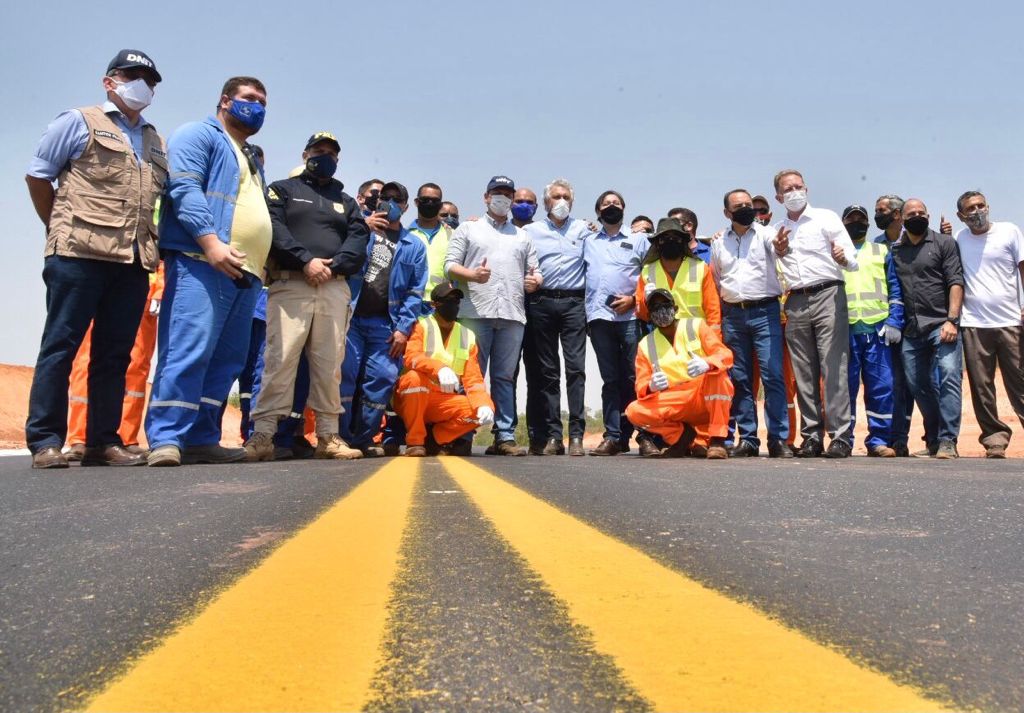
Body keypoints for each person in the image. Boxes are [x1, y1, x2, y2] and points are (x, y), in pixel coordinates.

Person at [25, 49, 166, 469]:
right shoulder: (78, 120)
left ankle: (103, 441)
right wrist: (58, 227)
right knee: (60, 346)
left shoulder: (155, 140)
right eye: (134, 75)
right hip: (78, 254)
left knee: (115, 353)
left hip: (133, 261)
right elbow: (38, 175)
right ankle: (46, 441)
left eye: (150, 79)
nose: (143, 84)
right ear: (111, 81)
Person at [146, 76, 271, 467]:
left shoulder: (247, 154)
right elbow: (184, 190)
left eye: (263, 102)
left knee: (226, 360)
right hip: (204, 262)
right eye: (249, 98)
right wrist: (211, 242)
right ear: (225, 101)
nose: (258, 107)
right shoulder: (198, 135)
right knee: (188, 349)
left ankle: (201, 437)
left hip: (246, 274)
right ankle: (167, 436)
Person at [242, 131, 369, 461]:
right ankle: (263, 435)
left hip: (333, 287)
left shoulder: (346, 201)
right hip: (291, 284)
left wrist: (333, 265)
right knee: (279, 361)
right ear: (305, 154)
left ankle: (329, 436)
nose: (324, 156)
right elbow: (274, 229)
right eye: (318, 150)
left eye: (331, 152)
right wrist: (305, 260)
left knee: (330, 366)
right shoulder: (283, 190)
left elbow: (358, 240)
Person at [445, 175, 542, 456]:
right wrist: (472, 274)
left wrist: (536, 281)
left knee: (504, 377)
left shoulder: (522, 236)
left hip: (512, 314)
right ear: (486, 197)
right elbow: (450, 265)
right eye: (497, 193)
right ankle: (463, 433)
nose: (503, 198)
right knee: (471, 375)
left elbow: (535, 272)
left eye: (507, 194)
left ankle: (505, 436)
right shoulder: (468, 229)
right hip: (475, 312)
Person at [772, 169, 859, 458]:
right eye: (788, 189)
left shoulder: (826, 218)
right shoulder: (777, 230)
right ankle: (811, 436)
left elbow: (851, 258)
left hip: (828, 294)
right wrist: (779, 251)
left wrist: (843, 257)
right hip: (795, 301)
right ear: (778, 196)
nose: (795, 192)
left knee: (834, 367)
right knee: (804, 372)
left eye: (799, 186)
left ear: (806, 189)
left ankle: (840, 436)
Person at [337, 181, 426, 456]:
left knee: (381, 380)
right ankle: (339, 437)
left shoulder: (414, 245)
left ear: (405, 206)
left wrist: (402, 329)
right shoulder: (360, 231)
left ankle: (363, 440)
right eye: (384, 198)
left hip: (385, 327)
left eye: (396, 200)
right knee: (344, 377)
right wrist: (364, 227)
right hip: (350, 320)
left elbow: (415, 293)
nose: (390, 203)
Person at [710, 189, 791, 458]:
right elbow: (718, 279)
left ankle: (778, 439)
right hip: (733, 315)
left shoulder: (767, 234)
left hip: (764, 311)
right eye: (739, 206)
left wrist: (782, 246)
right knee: (741, 379)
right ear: (727, 213)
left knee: (772, 375)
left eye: (748, 205)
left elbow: (780, 250)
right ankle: (748, 439)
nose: (746, 209)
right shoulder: (719, 242)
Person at [583, 190, 659, 456]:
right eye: (606, 203)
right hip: (599, 319)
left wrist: (634, 300)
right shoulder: (588, 240)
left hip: (629, 317)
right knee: (610, 380)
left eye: (616, 203)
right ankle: (614, 436)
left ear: (624, 209)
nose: (611, 206)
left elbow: (653, 277)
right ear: (598, 210)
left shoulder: (639, 241)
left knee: (636, 376)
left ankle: (645, 435)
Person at [65, 264, 164, 460]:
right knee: (84, 363)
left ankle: (126, 437)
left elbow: (159, 251)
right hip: (100, 279)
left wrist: (159, 288)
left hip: (140, 288)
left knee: (136, 366)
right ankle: (79, 438)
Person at [890, 199, 964, 459]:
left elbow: (956, 281)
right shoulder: (896, 251)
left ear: (929, 216)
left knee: (949, 377)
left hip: (941, 324)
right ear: (901, 217)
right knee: (918, 385)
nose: (917, 216)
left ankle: (947, 440)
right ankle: (933, 438)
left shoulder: (944, 243)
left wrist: (952, 320)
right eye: (912, 214)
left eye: (922, 213)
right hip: (911, 330)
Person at [522, 178, 590, 456]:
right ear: (546, 201)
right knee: (548, 372)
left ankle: (576, 435)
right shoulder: (530, 231)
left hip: (574, 303)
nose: (561, 201)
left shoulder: (585, 229)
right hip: (542, 302)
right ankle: (553, 435)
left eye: (565, 197)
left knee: (576, 369)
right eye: (555, 196)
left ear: (572, 201)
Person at [954, 191, 1024, 458]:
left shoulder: (1009, 231)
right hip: (974, 324)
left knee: (1019, 382)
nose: (977, 211)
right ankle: (994, 438)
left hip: (1010, 321)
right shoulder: (959, 238)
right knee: (981, 386)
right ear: (962, 216)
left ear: (988, 206)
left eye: (981, 205)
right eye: (971, 208)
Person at [625, 289, 733, 459]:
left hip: (702, 395)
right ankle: (683, 438)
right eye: (655, 307)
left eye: (665, 305)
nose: (660, 310)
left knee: (719, 375)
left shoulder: (696, 326)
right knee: (634, 411)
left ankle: (717, 441)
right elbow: (640, 385)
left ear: (675, 308)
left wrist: (707, 363)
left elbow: (725, 355)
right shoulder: (646, 344)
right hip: (674, 401)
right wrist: (651, 386)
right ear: (650, 315)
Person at [393, 284, 495, 456]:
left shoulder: (467, 335)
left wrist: (484, 404)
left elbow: (474, 380)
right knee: (414, 378)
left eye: (456, 301)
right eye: (448, 301)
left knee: (480, 410)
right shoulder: (421, 326)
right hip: (413, 395)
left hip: (443, 400)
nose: (453, 305)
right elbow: (412, 357)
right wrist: (439, 368)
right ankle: (415, 442)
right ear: (434, 304)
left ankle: (434, 440)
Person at [841, 205, 903, 458]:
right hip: (845, 333)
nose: (856, 223)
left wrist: (895, 322)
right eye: (851, 219)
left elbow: (895, 290)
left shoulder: (881, 251)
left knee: (881, 388)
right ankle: (844, 439)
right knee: (845, 390)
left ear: (868, 224)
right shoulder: (834, 253)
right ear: (843, 224)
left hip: (877, 332)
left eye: (861, 219)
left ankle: (878, 440)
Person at [873, 194, 915, 455]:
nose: (878, 215)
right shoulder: (877, 245)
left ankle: (914, 435)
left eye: (882, 210)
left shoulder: (913, 240)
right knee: (893, 381)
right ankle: (893, 438)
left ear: (898, 215)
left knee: (913, 381)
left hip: (916, 321)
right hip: (888, 323)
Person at [636, 217, 721, 328]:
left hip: (695, 339)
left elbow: (713, 310)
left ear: (683, 243)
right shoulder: (647, 272)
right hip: (663, 338)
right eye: (664, 239)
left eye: (676, 238)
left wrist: (713, 340)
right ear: (657, 244)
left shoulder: (701, 268)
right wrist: (645, 301)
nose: (671, 241)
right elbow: (642, 314)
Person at [409, 183, 453, 299]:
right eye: (425, 200)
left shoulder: (453, 235)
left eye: (435, 201)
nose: (430, 203)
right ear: (416, 202)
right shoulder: (405, 235)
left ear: (440, 205)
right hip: (411, 304)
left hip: (443, 306)